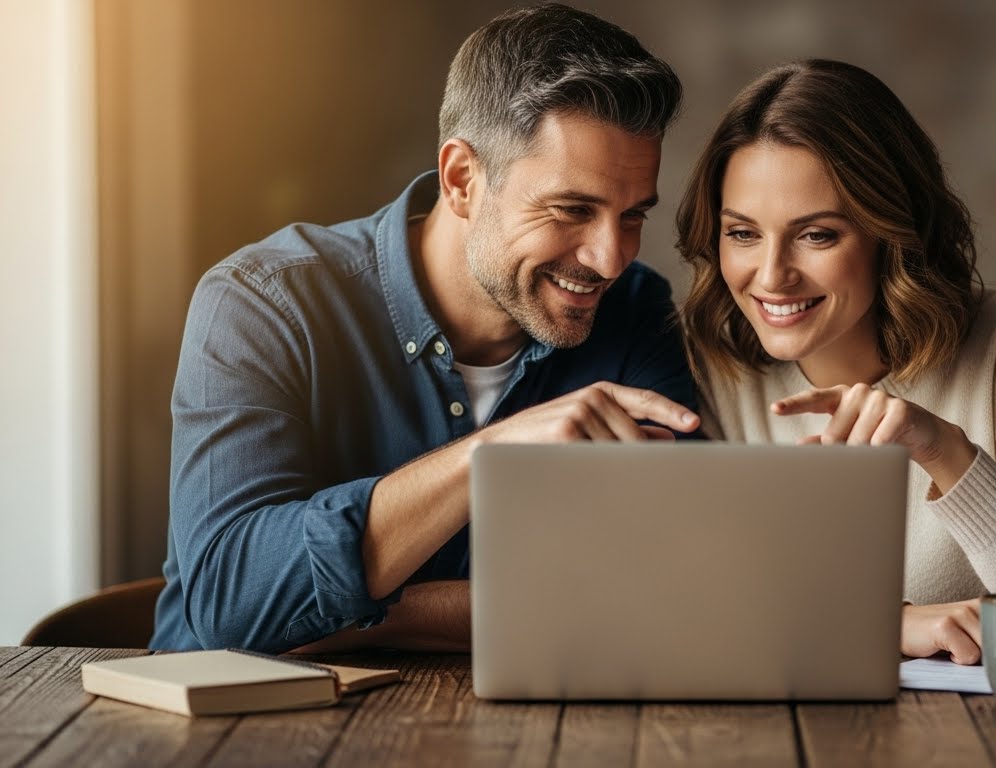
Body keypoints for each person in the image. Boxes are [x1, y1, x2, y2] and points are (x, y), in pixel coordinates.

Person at [152, 4, 700, 653]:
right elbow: (233, 605)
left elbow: (672, 591)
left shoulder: (635, 312)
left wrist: (380, 616)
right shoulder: (264, 303)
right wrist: (489, 455)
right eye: (571, 210)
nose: (611, 258)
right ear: (462, 179)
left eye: (632, 215)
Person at [676, 59, 996, 663]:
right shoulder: (704, 363)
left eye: (817, 235)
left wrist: (945, 454)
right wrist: (883, 624)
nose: (771, 277)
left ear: (892, 232)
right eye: (742, 233)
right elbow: (695, 606)